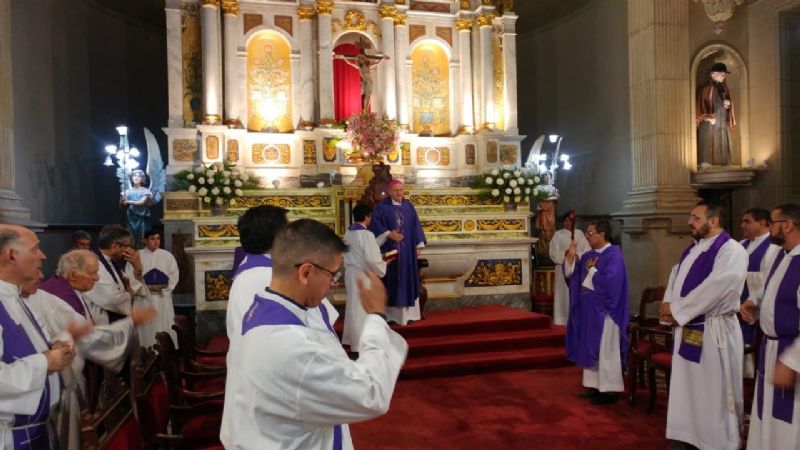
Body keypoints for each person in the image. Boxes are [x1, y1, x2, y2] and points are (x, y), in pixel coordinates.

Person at [220, 219, 408, 449]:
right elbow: (371, 394)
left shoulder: (261, 309)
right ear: (306, 272)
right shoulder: (292, 346)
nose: (332, 284)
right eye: (332, 275)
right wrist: (376, 317)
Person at [221, 207, 339, 446]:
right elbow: (309, 333)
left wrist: (317, 285)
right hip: (282, 406)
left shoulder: (252, 272)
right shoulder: (268, 278)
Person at [24, 251, 156, 450]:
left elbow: (86, 330)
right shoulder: (55, 297)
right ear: (74, 275)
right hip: (61, 389)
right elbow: (90, 338)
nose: (97, 278)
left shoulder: (71, 292)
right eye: (93, 273)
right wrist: (130, 324)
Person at [660, 202, 748, 449]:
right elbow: (675, 276)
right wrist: (668, 306)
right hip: (688, 327)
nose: (690, 222)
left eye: (696, 217)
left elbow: (718, 287)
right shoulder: (692, 250)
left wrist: (678, 310)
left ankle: (716, 441)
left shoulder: (731, 251)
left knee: (713, 390)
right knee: (688, 386)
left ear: (714, 220)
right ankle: (689, 435)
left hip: (714, 330)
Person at [0, 224, 75, 449]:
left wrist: (52, 346)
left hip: (35, 430)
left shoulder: (15, 297)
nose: (42, 256)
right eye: (35, 249)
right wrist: (45, 362)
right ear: (12, 255)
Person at [743, 203, 800, 449]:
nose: (770, 228)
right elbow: (770, 290)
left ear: (787, 225)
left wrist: (792, 362)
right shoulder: (782, 255)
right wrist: (755, 306)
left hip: (790, 352)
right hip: (771, 349)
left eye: (774, 222)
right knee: (765, 414)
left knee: (788, 422)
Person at [564, 220, 629, 405]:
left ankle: (609, 390)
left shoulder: (614, 254)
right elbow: (573, 277)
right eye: (587, 233)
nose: (587, 236)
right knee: (590, 346)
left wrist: (593, 272)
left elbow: (612, 284)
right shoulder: (587, 255)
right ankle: (594, 385)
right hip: (589, 311)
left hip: (606, 312)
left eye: (590, 233)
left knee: (606, 349)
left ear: (602, 234)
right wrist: (570, 259)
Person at [369, 179, 427, 325]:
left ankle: (409, 315)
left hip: (407, 251)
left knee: (406, 280)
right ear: (389, 191)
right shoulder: (381, 207)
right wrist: (388, 233)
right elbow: (374, 225)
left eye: (401, 190)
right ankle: (391, 317)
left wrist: (418, 245)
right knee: (391, 281)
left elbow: (416, 225)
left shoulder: (408, 206)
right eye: (396, 190)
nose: (399, 193)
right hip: (389, 251)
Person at [738, 208, 781, 377]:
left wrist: (751, 302)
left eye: (747, 221)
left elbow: (767, 282)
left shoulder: (773, 249)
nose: (742, 225)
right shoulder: (741, 245)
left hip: (754, 310)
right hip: (736, 307)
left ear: (762, 222)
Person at [343, 204, 389, 353]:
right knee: (362, 307)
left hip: (350, 273)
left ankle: (350, 338)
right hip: (363, 274)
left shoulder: (348, 233)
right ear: (368, 216)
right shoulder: (366, 235)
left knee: (353, 306)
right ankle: (359, 343)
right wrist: (383, 263)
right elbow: (371, 258)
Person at [83, 225, 148, 325]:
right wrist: (130, 294)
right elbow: (112, 299)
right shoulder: (94, 264)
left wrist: (138, 270)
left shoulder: (110, 261)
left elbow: (128, 285)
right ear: (114, 246)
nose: (128, 250)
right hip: (102, 324)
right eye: (126, 246)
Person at [137, 229, 179, 347]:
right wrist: (145, 289)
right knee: (147, 327)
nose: (156, 242)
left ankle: (166, 353)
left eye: (158, 238)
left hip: (162, 298)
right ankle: (147, 351)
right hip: (144, 299)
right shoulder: (137, 256)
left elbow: (174, 275)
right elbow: (131, 276)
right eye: (152, 239)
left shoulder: (167, 256)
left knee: (163, 325)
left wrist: (164, 289)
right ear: (145, 241)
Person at [549, 210, 590, 326]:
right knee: (563, 293)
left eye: (571, 220)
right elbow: (553, 253)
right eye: (566, 220)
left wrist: (578, 256)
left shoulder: (580, 234)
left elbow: (587, 251)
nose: (568, 223)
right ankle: (561, 318)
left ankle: (575, 318)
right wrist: (567, 255)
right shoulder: (558, 234)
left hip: (577, 269)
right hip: (562, 269)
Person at [696, 62, 736, 166]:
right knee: (708, 138)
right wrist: (707, 117)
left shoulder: (724, 89)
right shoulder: (705, 89)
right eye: (721, 73)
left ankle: (724, 161)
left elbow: (728, 104)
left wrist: (728, 105)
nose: (723, 76)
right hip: (710, 121)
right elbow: (700, 105)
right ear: (712, 74)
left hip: (722, 120)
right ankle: (706, 160)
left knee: (722, 140)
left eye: (724, 74)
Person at [121, 169, 154, 247]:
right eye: (134, 175)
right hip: (131, 218)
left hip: (141, 219)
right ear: (131, 178)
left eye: (139, 176)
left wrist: (128, 202)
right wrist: (122, 200)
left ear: (142, 178)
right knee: (131, 238)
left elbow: (141, 202)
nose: (136, 177)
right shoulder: (127, 191)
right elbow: (121, 205)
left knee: (142, 238)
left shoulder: (145, 191)